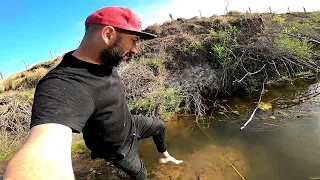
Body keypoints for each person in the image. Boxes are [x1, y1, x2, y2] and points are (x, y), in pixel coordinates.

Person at [4, 6, 182, 180]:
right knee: (141, 174)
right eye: (133, 40)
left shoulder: (106, 59)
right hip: (118, 148)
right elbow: (42, 156)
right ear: (108, 35)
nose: (135, 49)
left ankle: (164, 156)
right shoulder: (63, 83)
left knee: (159, 125)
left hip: (131, 125)